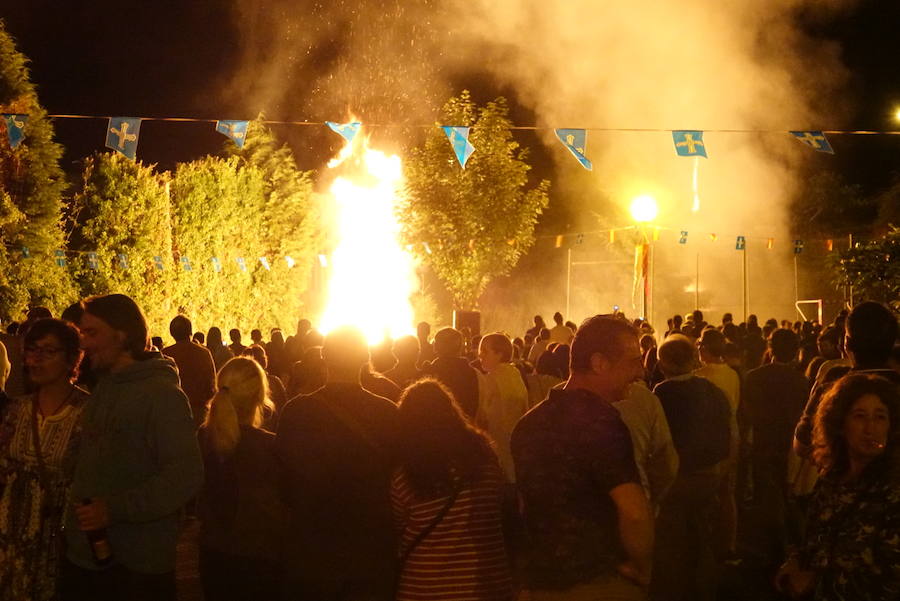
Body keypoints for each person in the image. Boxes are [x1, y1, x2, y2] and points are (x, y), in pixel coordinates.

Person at [60, 294, 203, 601]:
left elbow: (186, 475)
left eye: (92, 332)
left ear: (122, 334)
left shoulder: (162, 395)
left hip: (137, 569)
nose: (83, 344)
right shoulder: (104, 388)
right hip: (90, 558)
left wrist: (114, 510)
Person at [512, 315, 653, 600]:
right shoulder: (601, 422)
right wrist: (644, 567)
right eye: (633, 361)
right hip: (599, 582)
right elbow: (635, 513)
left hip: (540, 583)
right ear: (599, 363)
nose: (641, 371)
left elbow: (525, 505)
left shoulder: (527, 425)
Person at [276, 326, 399, 600]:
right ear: (365, 359)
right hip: (369, 548)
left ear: (324, 360)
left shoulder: (297, 411)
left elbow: (282, 479)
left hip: (311, 546)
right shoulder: (388, 413)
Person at [777, 375, 900, 599]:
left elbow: (891, 583)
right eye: (859, 416)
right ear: (840, 424)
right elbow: (814, 538)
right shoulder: (832, 478)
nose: (869, 428)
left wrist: (815, 582)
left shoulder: (892, 491)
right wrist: (796, 561)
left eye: (880, 417)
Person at [391, 379, 512, 601]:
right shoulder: (484, 460)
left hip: (425, 588)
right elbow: (502, 508)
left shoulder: (407, 476)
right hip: (486, 586)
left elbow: (398, 528)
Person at [0, 319, 89, 601]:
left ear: (72, 358)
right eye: (32, 350)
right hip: (8, 540)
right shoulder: (16, 410)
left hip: (56, 543)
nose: (36, 359)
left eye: (48, 351)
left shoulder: (87, 415)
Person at [651, 334, 731, 601]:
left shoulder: (661, 393)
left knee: (673, 543)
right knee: (701, 537)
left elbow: (658, 441)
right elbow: (727, 434)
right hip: (710, 476)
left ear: (663, 363)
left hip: (677, 480)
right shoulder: (712, 390)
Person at [197, 357, 283, 601]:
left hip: (213, 551)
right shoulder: (271, 446)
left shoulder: (203, 438)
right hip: (259, 554)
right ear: (260, 397)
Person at [743, 328, 809, 555]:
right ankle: (791, 543)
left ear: (770, 349)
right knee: (788, 494)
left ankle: (771, 547)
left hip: (763, 443)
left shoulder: (753, 377)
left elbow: (746, 414)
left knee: (766, 496)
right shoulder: (801, 381)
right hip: (790, 445)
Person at [694, 327, 742, 556]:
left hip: (709, 441)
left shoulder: (701, 376)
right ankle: (729, 544)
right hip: (732, 437)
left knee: (706, 495)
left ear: (704, 348)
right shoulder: (732, 374)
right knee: (727, 493)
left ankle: (706, 544)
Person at [477, 333, 529, 484]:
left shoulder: (491, 380)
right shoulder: (515, 374)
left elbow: (482, 416)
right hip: (517, 451)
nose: (479, 355)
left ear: (499, 354)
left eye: (485, 351)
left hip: (498, 452)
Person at [162, 315, 216, 428]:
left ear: (172, 333)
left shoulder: (165, 354)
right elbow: (212, 385)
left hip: (171, 413)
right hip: (199, 411)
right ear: (190, 331)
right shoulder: (204, 353)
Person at [421, 327, 481, 420]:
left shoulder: (430, 371)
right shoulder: (473, 373)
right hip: (464, 427)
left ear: (436, 347)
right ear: (460, 347)